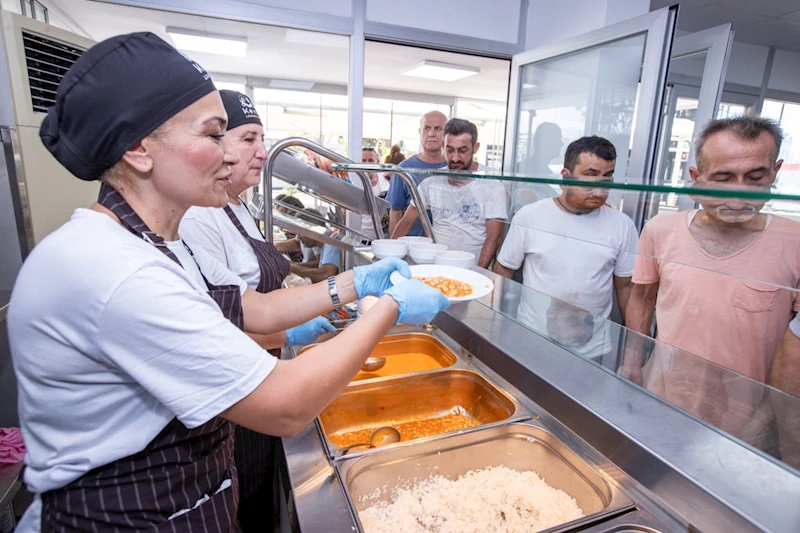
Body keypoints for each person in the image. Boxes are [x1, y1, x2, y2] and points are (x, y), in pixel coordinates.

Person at [8, 32, 449, 532]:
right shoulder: (114, 269)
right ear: (138, 148)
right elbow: (286, 406)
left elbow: (248, 309)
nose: (232, 154)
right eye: (214, 134)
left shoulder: (152, 242)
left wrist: (354, 283)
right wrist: (390, 306)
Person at [178, 91, 327, 531]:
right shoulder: (195, 218)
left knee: (258, 489)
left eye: (262, 138)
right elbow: (234, 323)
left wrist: (327, 291)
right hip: (241, 381)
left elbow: (253, 295)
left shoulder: (239, 204)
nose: (262, 151)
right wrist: (298, 330)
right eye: (248, 139)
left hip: (263, 362)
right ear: (217, 145)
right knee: (250, 494)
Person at [625, 116, 800, 384]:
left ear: (774, 172)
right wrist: (632, 362)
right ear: (697, 177)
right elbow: (642, 297)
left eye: (755, 177)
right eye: (723, 178)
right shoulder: (661, 229)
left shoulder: (795, 240)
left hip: (749, 410)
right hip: (664, 389)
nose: (739, 194)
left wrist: (773, 415)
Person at [493, 136, 638, 361]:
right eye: (590, 177)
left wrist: (633, 353)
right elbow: (503, 272)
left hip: (592, 349)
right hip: (532, 338)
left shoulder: (623, 225)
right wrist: (497, 326)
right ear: (565, 178)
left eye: (607, 179)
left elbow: (627, 289)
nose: (599, 192)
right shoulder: (530, 216)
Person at [391, 119, 507, 268]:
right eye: (450, 150)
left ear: (475, 148)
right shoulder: (431, 181)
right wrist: (389, 256)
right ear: (443, 147)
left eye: (463, 150)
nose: (455, 158)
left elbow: (494, 237)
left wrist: (477, 273)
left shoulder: (492, 185)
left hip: (472, 268)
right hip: (436, 268)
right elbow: (406, 221)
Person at [387, 110, 448, 236]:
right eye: (427, 128)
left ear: (446, 133)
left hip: (445, 249)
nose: (431, 133)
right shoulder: (403, 168)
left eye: (438, 128)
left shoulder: (454, 168)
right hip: (412, 248)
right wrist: (394, 249)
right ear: (420, 132)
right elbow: (395, 212)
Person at [277, 208, 343, 283]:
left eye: (300, 232)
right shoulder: (324, 244)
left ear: (313, 229)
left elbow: (325, 274)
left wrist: (290, 268)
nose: (298, 237)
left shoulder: (330, 242)